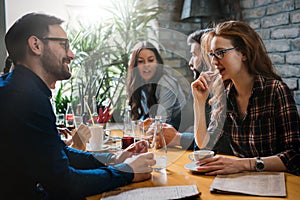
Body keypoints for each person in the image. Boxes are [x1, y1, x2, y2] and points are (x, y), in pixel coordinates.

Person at [0, 12, 155, 199]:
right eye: (64, 45)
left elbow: (59, 151)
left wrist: (114, 159)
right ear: (36, 45)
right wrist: (127, 172)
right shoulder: (24, 98)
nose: (71, 54)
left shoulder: (19, 89)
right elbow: (65, 184)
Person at [192, 20, 300, 175]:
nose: (214, 61)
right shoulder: (226, 95)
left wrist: (243, 164)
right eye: (212, 54)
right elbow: (204, 145)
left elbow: (295, 156)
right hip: (242, 182)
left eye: (220, 52)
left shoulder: (275, 91)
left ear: (243, 53)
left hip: (279, 184)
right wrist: (199, 102)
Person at [127, 41, 187, 130]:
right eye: (140, 61)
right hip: (160, 130)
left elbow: (161, 122)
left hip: (179, 131)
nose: (146, 65)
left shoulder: (166, 84)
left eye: (150, 60)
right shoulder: (142, 84)